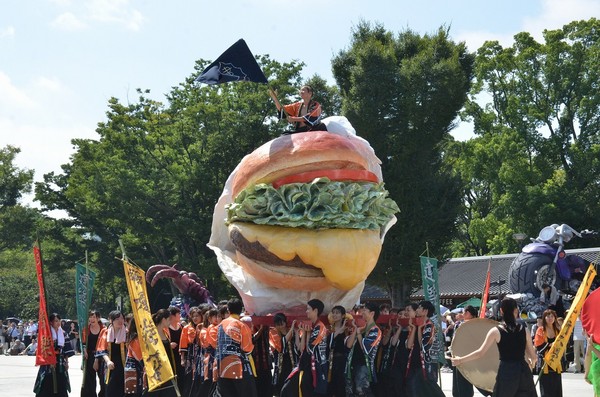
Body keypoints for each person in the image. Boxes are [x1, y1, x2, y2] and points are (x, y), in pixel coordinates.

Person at [451, 297, 537, 397]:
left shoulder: (495, 331)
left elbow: (480, 353)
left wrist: (460, 360)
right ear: (516, 311)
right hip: (523, 371)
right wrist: (532, 363)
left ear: (501, 311)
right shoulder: (524, 330)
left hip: (506, 372)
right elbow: (533, 357)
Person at [215, 298, 256, 397]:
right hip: (238, 367)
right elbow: (247, 349)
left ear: (228, 310)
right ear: (241, 309)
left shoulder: (220, 325)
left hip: (222, 367)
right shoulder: (242, 325)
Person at [34, 313, 75, 397]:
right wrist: (50, 360)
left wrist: (67, 362)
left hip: (60, 362)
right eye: (56, 321)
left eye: (59, 320)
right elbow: (43, 349)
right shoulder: (47, 334)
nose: (58, 323)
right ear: (51, 322)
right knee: (46, 384)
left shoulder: (63, 334)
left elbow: (67, 350)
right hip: (48, 363)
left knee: (61, 383)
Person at [345, 302, 382, 397]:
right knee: (352, 392)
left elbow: (365, 348)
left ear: (372, 313)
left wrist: (358, 334)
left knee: (362, 391)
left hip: (364, 367)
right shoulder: (361, 329)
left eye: (365, 310)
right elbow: (348, 345)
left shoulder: (375, 330)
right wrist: (356, 329)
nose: (362, 313)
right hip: (353, 364)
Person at [96, 310, 127, 397]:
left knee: (122, 391)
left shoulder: (127, 333)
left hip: (124, 366)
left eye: (122, 318)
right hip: (110, 366)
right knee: (110, 389)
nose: (120, 321)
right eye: (117, 319)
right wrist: (108, 361)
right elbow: (102, 349)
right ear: (111, 320)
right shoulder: (106, 332)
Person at [534, 309, 563, 397]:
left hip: (556, 363)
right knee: (546, 391)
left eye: (552, 316)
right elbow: (539, 347)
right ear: (544, 318)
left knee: (556, 390)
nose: (550, 318)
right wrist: (551, 345)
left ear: (555, 318)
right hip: (544, 364)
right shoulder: (540, 330)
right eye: (548, 316)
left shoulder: (558, 331)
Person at [452, 305, 478, 397]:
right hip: (458, 353)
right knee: (458, 380)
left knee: (465, 380)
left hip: (468, 355)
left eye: (464, 312)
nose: (462, 314)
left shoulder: (475, 324)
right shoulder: (460, 324)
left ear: (468, 313)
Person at [270, 313, 297, 397]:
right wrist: (292, 328)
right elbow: (281, 345)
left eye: (282, 324)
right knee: (281, 387)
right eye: (278, 325)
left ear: (285, 322)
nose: (280, 326)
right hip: (281, 366)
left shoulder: (293, 331)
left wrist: (294, 330)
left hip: (292, 364)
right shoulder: (273, 332)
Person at [81, 310, 105, 397]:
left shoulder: (104, 329)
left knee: (103, 379)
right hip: (90, 356)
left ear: (98, 318)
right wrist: (84, 350)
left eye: (94, 317)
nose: (91, 319)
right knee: (89, 380)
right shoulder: (86, 330)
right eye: (90, 317)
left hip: (102, 357)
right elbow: (83, 343)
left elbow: (104, 344)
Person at [327, 306, 348, 397]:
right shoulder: (328, 329)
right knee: (329, 384)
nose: (335, 315)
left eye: (337, 313)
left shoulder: (347, 330)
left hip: (341, 360)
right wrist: (339, 331)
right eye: (333, 312)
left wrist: (342, 330)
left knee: (340, 383)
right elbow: (327, 342)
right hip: (329, 360)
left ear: (343, 315)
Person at [166, 306, 184, 393]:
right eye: (178, 314)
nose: (180, 315)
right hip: (170, 356)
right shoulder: (166, 328)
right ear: (172, 316)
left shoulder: (181, 326)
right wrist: (169, 345)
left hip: (180, 356)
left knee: (181, 376)